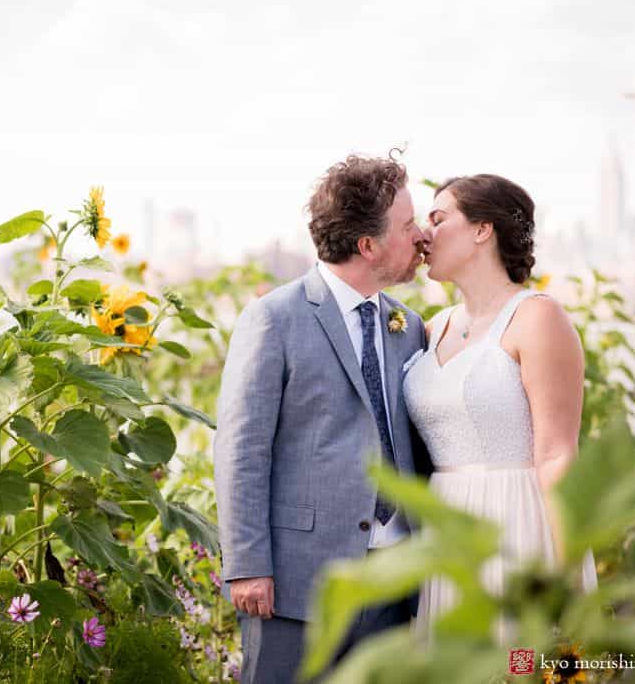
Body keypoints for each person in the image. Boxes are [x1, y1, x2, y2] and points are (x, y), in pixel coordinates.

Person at [214, 153, 434, 683]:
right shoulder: (274, 318)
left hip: (393, 581)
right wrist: (247, 565)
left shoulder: (409, 326)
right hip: (296, 583)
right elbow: (241, 448)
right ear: (367, 245)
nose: (421, 236)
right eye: (407, 226)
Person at [404, 173, 598, 643]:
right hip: (445, 531)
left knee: (517, 661)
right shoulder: (431, 328)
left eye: (438, 217)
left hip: (514, 524)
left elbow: (556, 454)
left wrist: (571, 571)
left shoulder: (537, 318)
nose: (424, 233)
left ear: (481, 229)